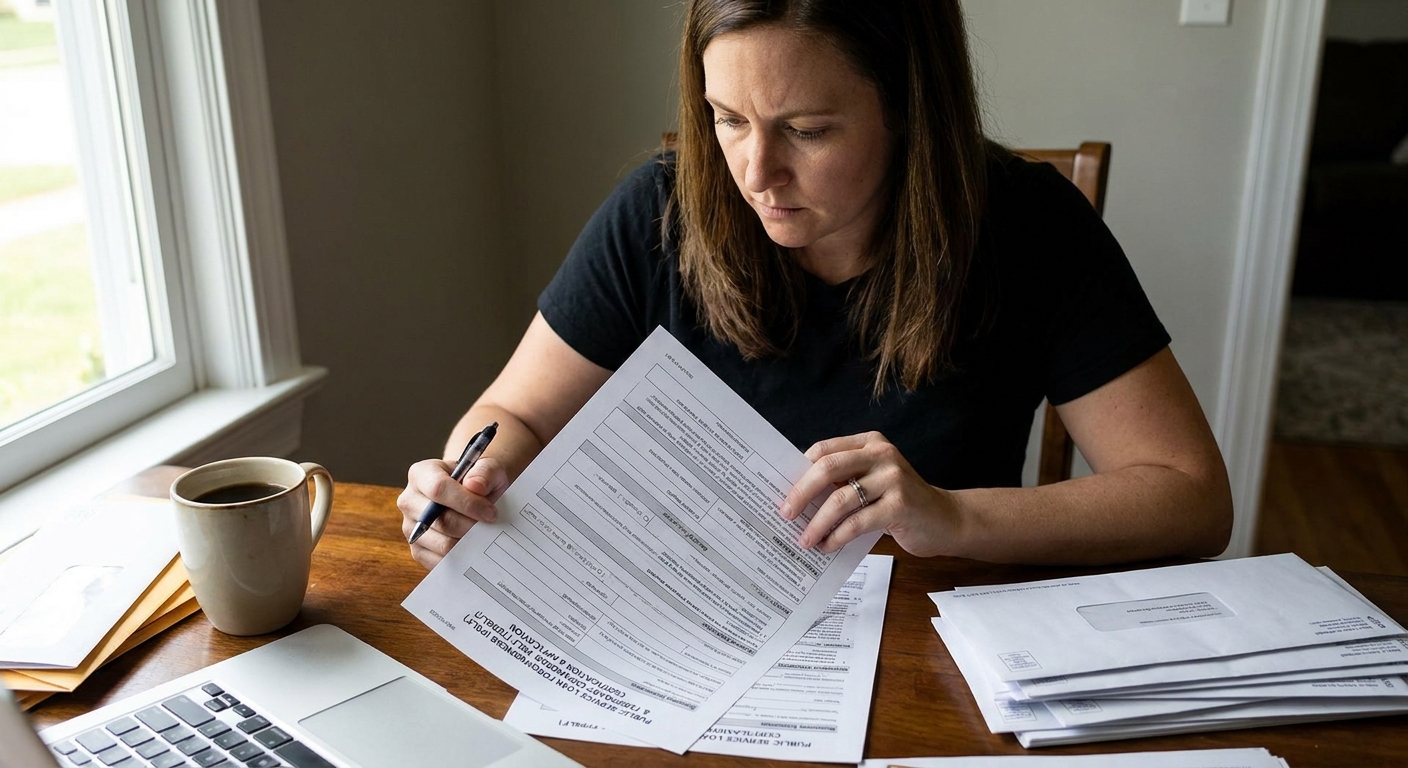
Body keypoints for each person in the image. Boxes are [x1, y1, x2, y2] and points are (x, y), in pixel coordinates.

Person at [399, 0, 1233, 571]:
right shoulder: (661, 209)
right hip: (689, 623)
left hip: (933, 648)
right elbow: (518, 413)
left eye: (806, 129)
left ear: (907, 105)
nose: (756, 174)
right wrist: (472, 483)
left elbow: (1191, 499)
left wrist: (952, 517)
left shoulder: (1025, 226)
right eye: (727, 119)